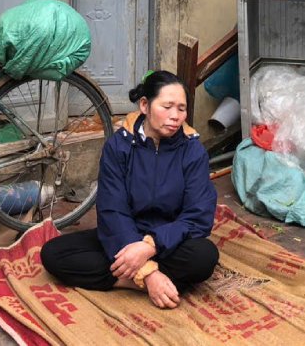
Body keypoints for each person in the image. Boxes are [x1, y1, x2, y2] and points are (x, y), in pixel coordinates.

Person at [40, 70, 219, 309]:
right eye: (167, 107)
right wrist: (147, 273)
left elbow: (198, 216)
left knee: (204, 256)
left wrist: (150, 246)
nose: (175, 116)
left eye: (181, 108)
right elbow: (112, 210)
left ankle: (123, 277)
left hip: (169, 242)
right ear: (145, 105)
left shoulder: (192, 150)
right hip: (124, 237)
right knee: (54, 254)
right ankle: (143, 282)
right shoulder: (119, 146)